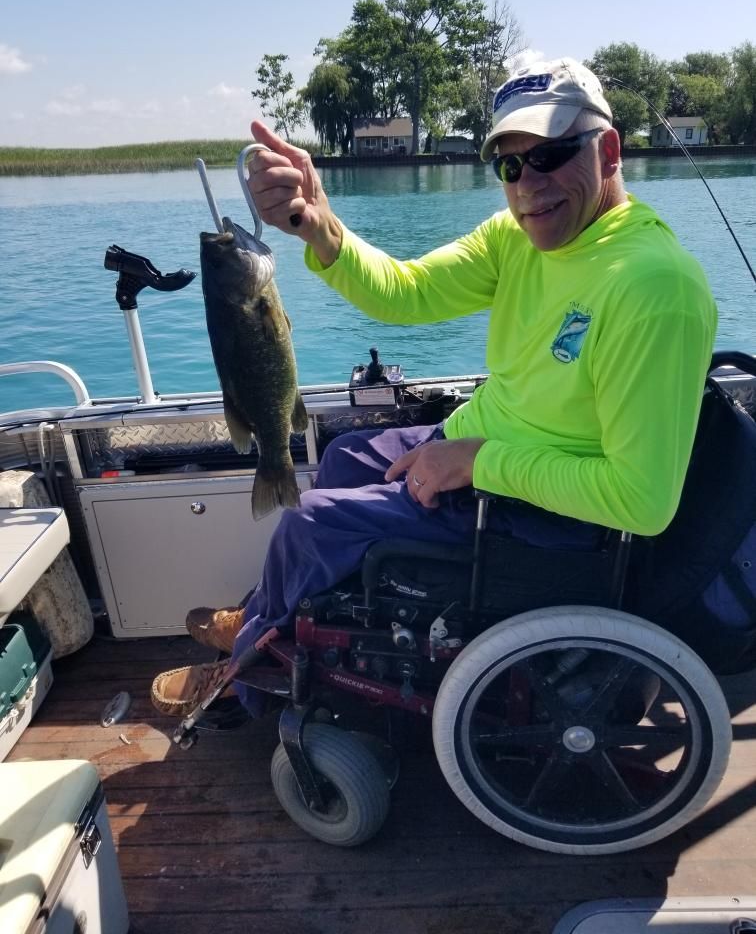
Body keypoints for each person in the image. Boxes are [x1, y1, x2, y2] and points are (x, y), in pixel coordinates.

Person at [150, 57, 717, 717]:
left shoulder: (653, 287)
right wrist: (317, 223)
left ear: (610, 150)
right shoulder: (519, 236)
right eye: (509, 165)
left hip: (547, 519)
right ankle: (272, 615)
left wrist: (475, 461)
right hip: (488, 452)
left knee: (307, 525)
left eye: (551, 155)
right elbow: (407, 291)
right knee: (341, 457)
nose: (528, 185)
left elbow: (640, 503)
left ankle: (245, 674)